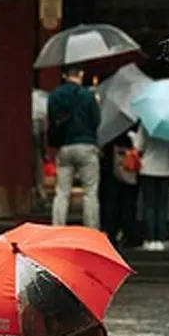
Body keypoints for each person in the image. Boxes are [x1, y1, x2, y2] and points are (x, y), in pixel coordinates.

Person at [47, 66, 101, 228]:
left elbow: (51, 119)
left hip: (65, 146)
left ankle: (57, 227)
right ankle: (91, 229)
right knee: (90, 192)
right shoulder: (88, 96)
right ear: (81, 74)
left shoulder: (54, 96)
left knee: (62, 192)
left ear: (64, 76)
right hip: (86, 144)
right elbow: (96, 121)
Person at [130, 124, 169, 250]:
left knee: (149, 204)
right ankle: (161, 238)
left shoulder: (146, 123)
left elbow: (138, 146)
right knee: (163, 205)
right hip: (167, 168)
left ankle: (149, 238)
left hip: (148, 168)